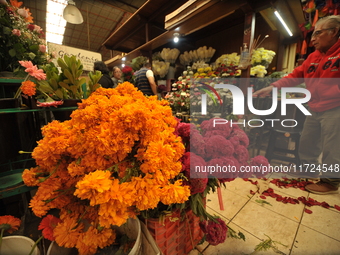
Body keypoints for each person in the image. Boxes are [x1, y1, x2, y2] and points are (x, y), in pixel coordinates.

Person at [253, 15, 340, 195]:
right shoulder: (313, 57)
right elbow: (295, 76)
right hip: (314, 106)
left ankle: (331, 182)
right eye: (312, 34)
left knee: (332, 146)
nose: (313, 38)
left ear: (334, 32)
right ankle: (309, 170)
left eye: (318, 33)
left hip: (335, 107)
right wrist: (273, 87)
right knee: (308, 141)